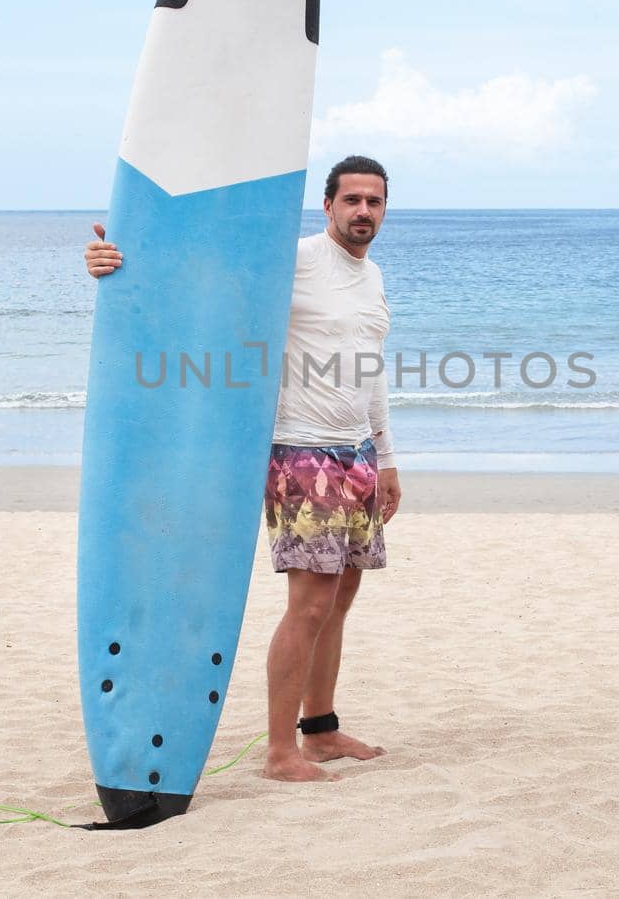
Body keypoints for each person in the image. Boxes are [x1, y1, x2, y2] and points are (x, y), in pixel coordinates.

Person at [85, 155, 402, 783]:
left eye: (374, 201)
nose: (363, 211)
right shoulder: (297, 259)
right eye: (352, 201)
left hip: (355, 454)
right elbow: (202, 279)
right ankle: (280, 752)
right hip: (300, 451)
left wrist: (385, 455)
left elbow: (371, 370)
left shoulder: (372, 277)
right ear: (328, 205)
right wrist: (119, 261)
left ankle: (321, 729)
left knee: (340, 597)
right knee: (309, 604)